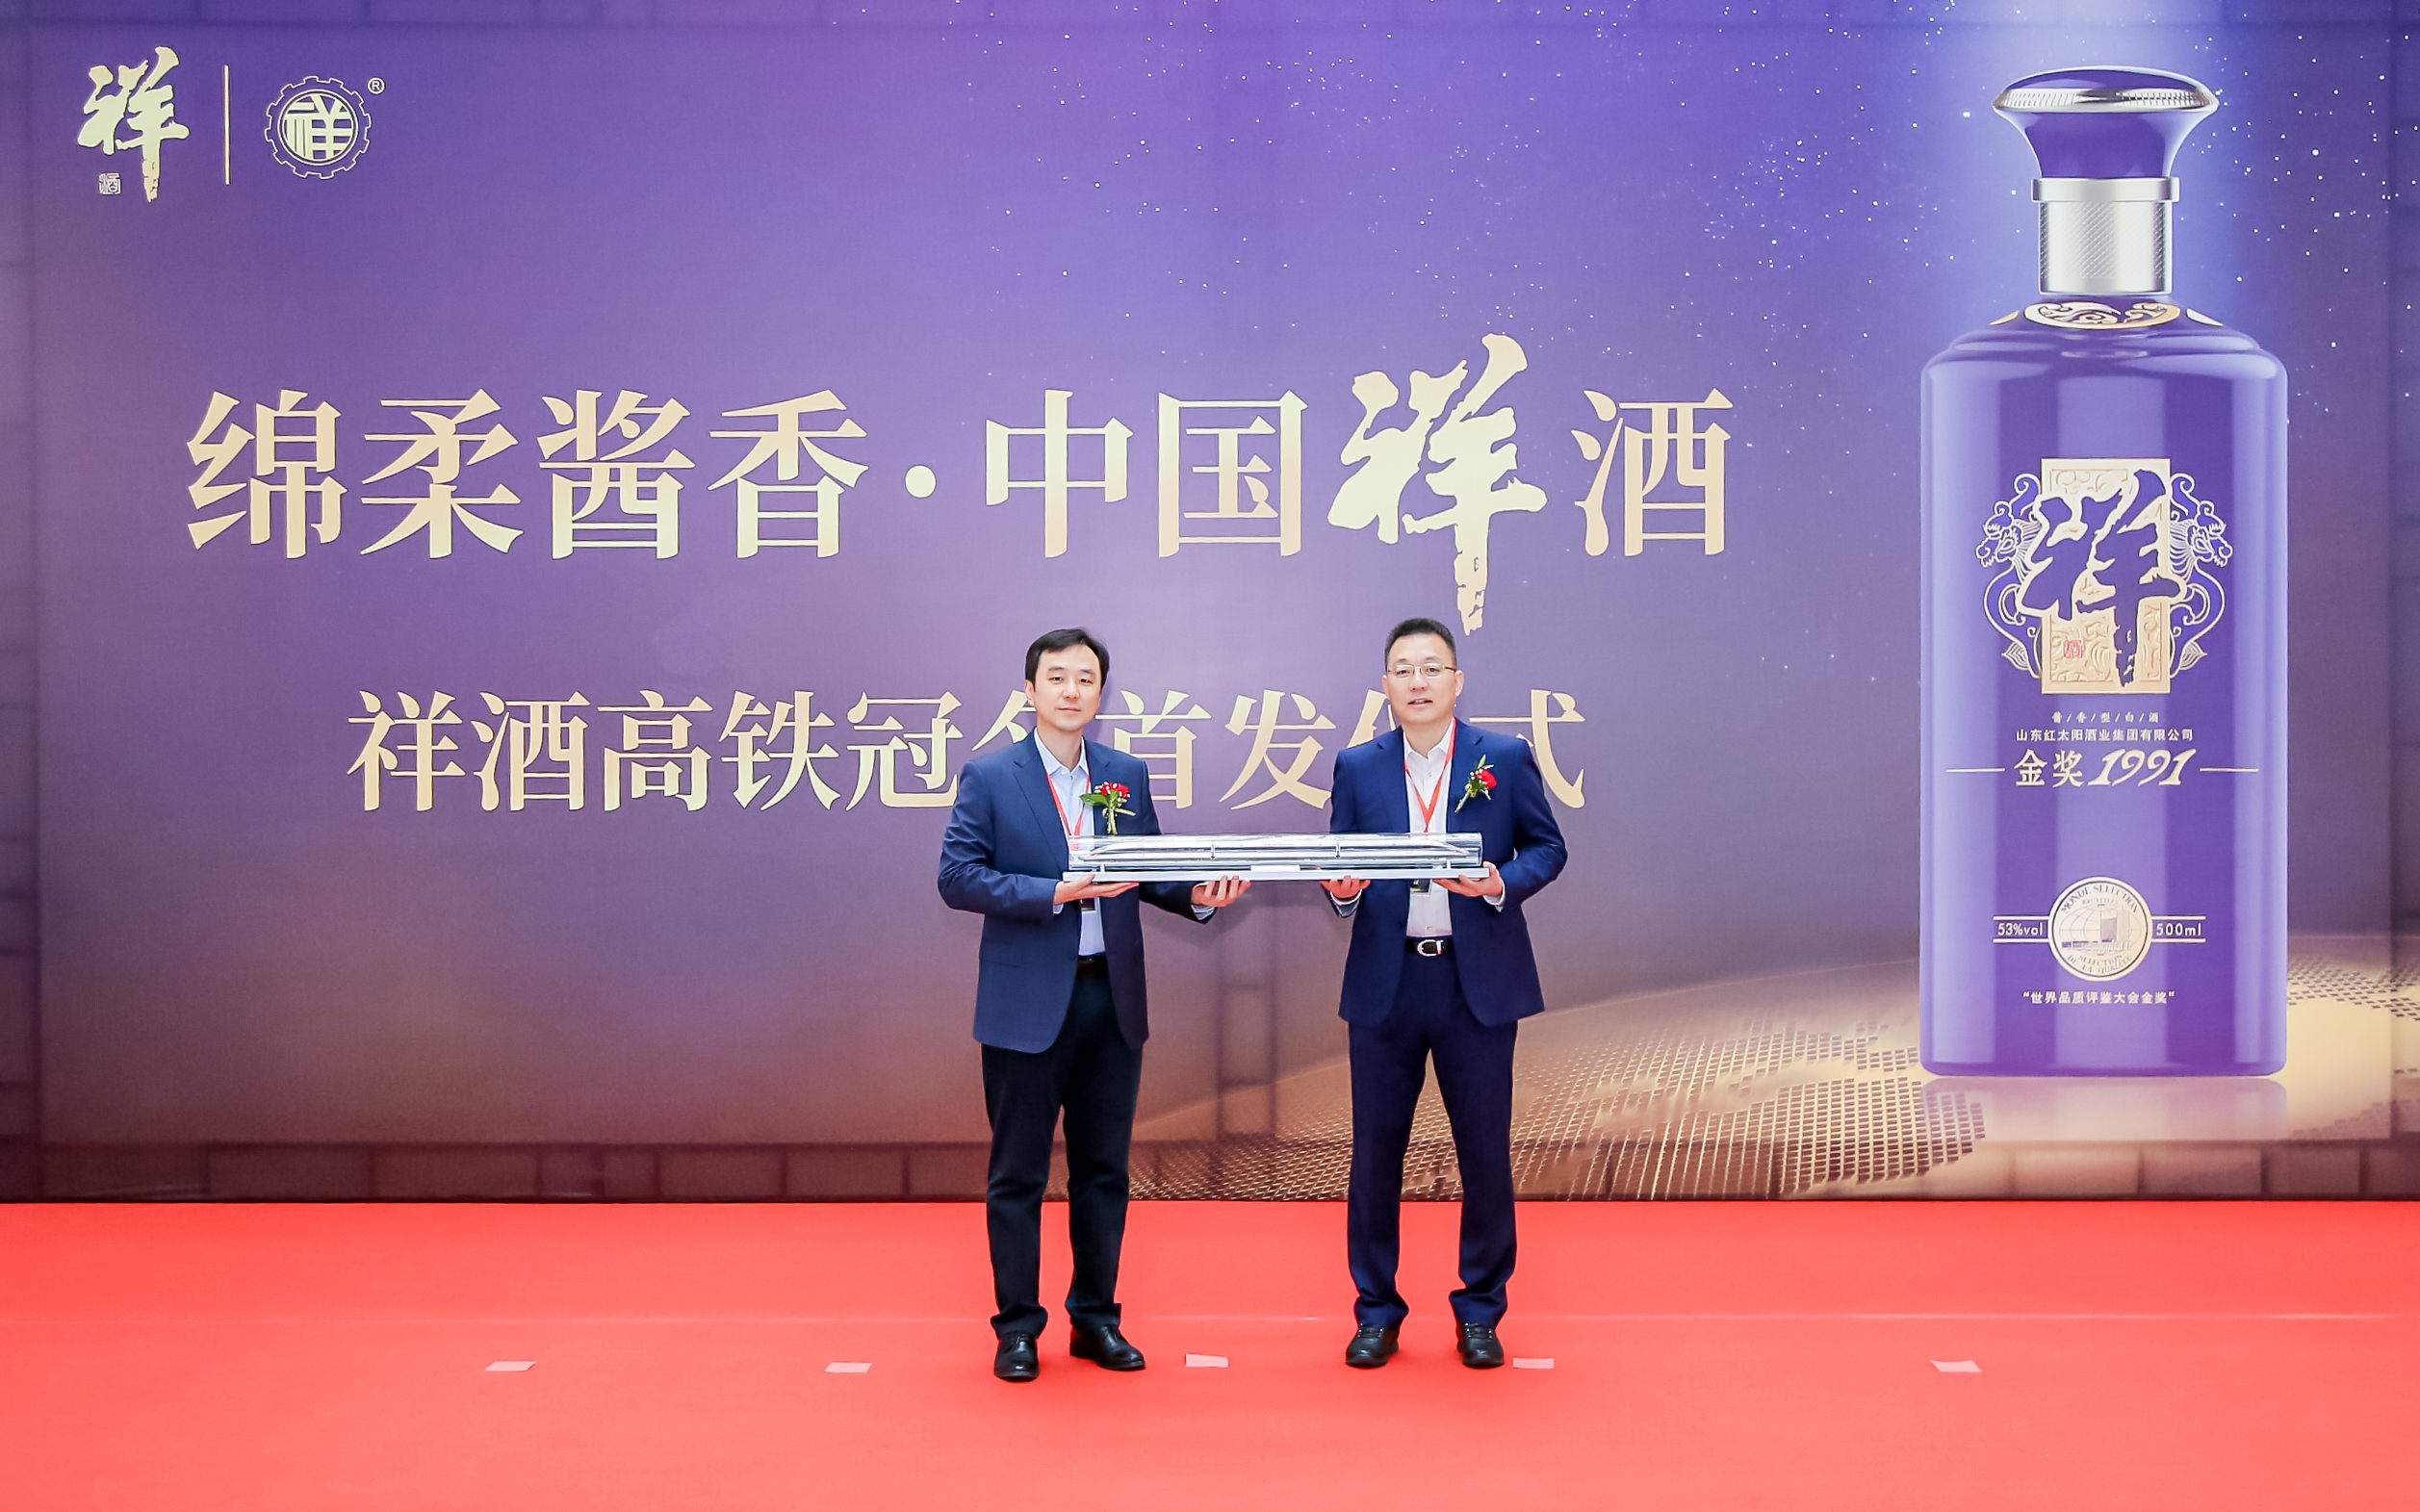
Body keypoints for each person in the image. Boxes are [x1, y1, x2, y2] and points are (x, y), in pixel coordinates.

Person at [938, 627, 1249, 1382]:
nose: (1071, 690)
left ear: (1101, 693)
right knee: (1017, 1174)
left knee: (1103, 1170)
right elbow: (957, 876)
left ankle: (1096, 1319)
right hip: (1025, 1006)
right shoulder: (991, 775)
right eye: (1057, 677)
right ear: (1030, 690)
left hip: (1111, 1000)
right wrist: (1055, 891)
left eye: (1085, 678)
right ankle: (1018, 1328)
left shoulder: (1124, 773)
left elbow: (1149, 868)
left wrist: (1200, 897)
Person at [1322, 616, 1567, 1370]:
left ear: (1457, 681)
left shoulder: (1504, 757)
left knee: (1484, 1152)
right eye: (1404, 669)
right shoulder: (1357, 766)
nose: (1418, 681)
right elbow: (1339, 861)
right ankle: (1376, 1311)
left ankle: (1481, 1310)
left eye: (1431, 667)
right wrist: (1340, 892)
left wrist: (1499, 881)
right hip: (1387, 982)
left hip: (1476, 982)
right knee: (1375, 1155)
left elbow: (1548, 846)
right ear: (1385, 686)